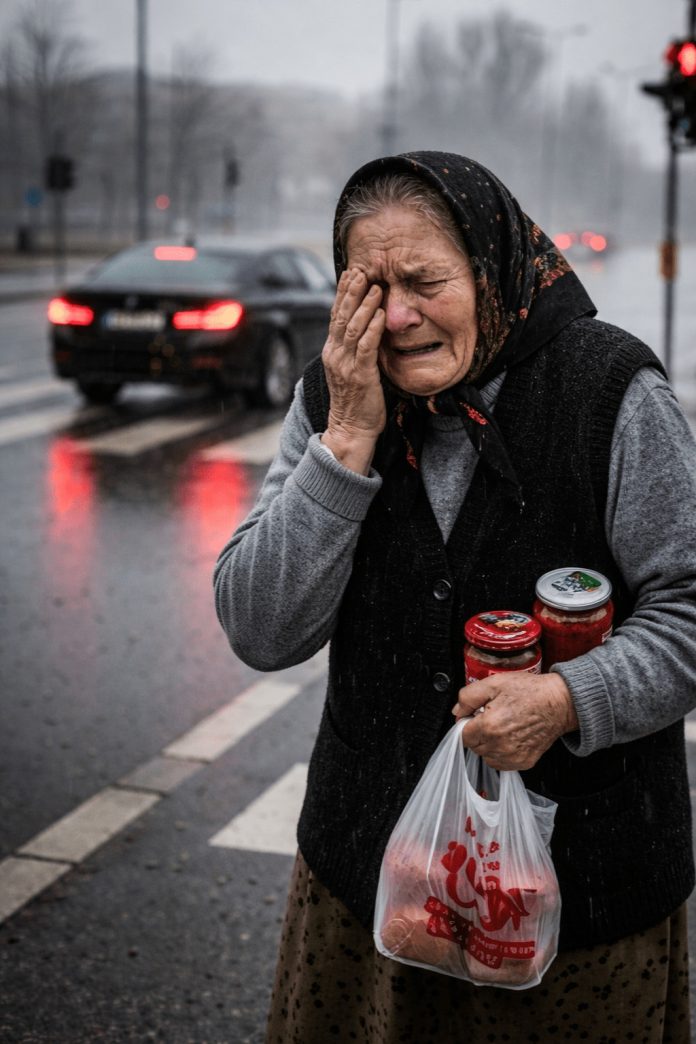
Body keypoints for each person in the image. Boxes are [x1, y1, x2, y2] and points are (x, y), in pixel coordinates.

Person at [214, 151, 696, 1043]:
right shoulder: (334, 396)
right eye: (370, 288)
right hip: (372, 894)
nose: (397, 319)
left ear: (491, 270)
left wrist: (564, 699)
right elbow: (260, 627)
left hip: (582, 903)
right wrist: (348, 442)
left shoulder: (610, 392)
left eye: (427, 282)